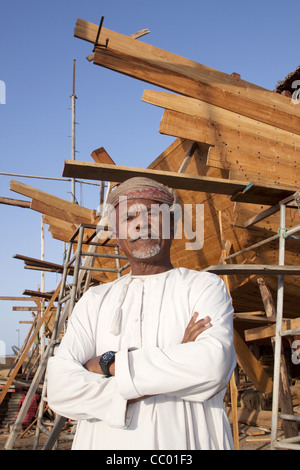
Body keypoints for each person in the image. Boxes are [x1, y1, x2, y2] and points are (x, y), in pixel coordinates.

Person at [46, 177, 236, 450]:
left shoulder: (203, 286)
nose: (141, 224)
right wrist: (176, 359)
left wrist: (107, 365)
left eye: (153, 215)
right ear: (117, 233)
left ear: (172, 225)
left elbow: (212, 365)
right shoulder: (94, 300)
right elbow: (61, 389)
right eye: (129, 217)